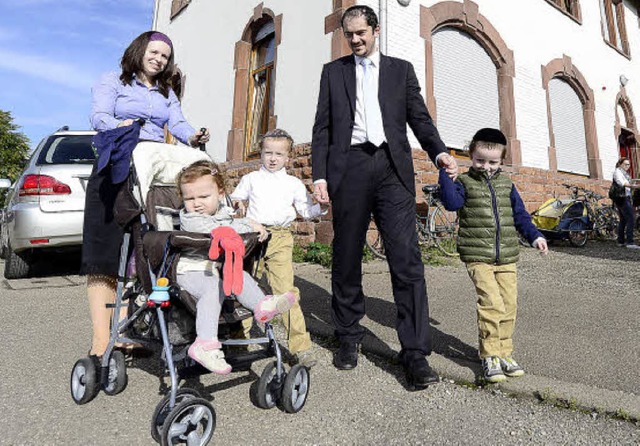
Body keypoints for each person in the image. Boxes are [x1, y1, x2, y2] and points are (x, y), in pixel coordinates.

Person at [310, 5, 458, 390]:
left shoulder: (400, 70)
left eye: (361, 33)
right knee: (345, 256)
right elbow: (322, 127)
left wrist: (438, 151)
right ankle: (347, 336)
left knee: (407, 261)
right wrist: (320, 175)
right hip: (350, 168)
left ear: (375, 30)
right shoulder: (333, 72)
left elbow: (419, 117)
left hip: (392, 169)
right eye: (350, 35)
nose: (356, 40)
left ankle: (414, 353)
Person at [82, 31, 210, 358]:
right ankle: (100, 340)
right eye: (154, 52)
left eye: (165, 56)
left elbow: (178, 124)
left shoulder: (166, 91)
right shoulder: (114, 80)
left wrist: (194, 136)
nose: (159, 59)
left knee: (133, 258)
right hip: (116, 166)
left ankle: (122, 333)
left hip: (150, 170)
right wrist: (120, 123)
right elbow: (98, 115)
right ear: (140, 50)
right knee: (105, 257)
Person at [438, 128, 548, 383]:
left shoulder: (507, 184)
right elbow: (451, 203)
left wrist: (535, 236)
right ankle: (489, 355)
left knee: (509, 305)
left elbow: (520, 215)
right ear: (471, 156)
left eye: (492, 162)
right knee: (491, 304)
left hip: (507, 256)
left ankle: (504, 353)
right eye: (480, 160)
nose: (486, 167)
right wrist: (444, 174)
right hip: (478, 256)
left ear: (502, 160)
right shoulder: (464, 182)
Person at [176, 159, 297, 374]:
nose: (196, 203)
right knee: (211, 287)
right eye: (189, 198)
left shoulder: (225, 213)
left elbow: (229, 225)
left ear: (221, 193)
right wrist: (247, 224)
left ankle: (262, 305)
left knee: (239, 275)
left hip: (217, 270)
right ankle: (205, 344)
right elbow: (219, 229)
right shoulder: (192, 219)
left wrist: (252, 226)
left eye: (204, 196)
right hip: (191, 270)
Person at [230, 129, 325, 366]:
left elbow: (306, 211)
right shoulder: (251, 179)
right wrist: (238, 205)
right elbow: (236, 200)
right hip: (253, 237)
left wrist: (322, 206)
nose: (273, 158)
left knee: (285, 291)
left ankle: (301, 346)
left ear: (288, 157)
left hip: (281, 238)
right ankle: (238, 338)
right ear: (260, 154)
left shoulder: (293, 183)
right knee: (244, 286)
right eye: (268, 152)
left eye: (279, 154)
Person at [611, 157, 640, 249]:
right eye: (626, 164)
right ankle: (630, 242)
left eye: (629, 164)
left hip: (624, 197)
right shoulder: (618, 172)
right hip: (622, 198)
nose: (628, 166)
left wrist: (635, 182)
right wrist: (635, 186)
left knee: (623, 219)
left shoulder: (624, 173)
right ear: (620, 164)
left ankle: (621, 241)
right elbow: (622, 183)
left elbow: (628, 182)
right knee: (631, 218)